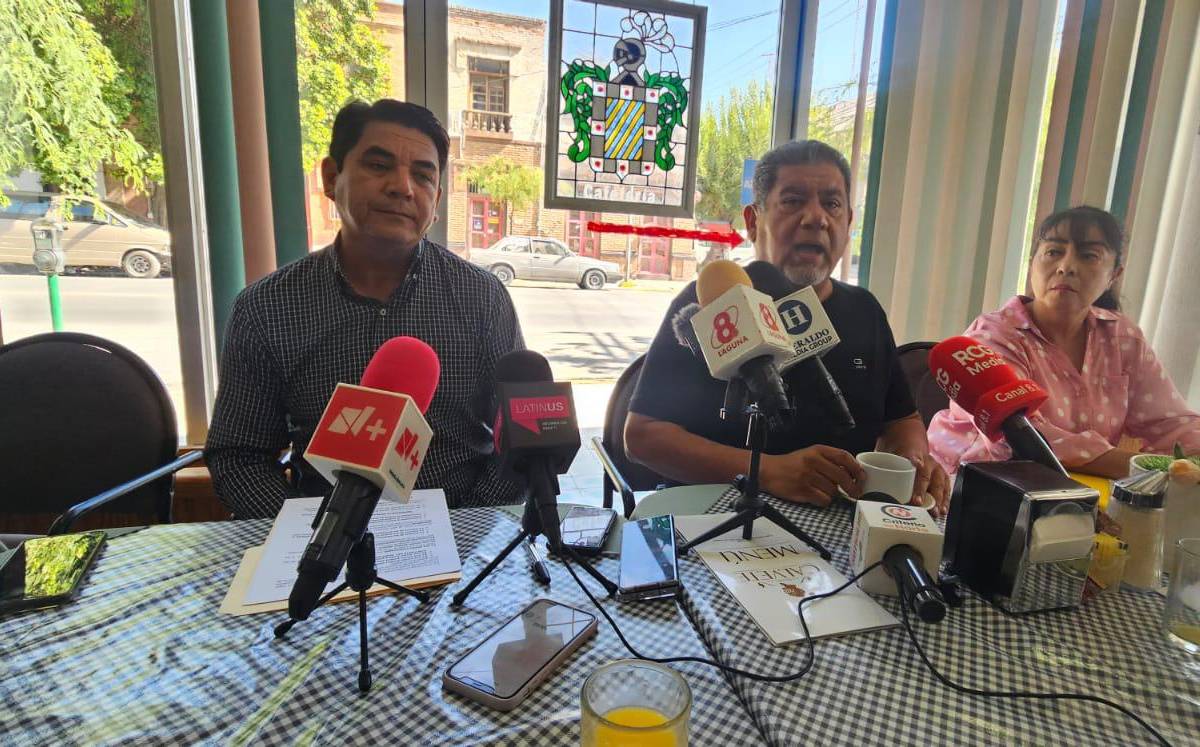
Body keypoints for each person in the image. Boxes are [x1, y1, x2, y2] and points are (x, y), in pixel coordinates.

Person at [206, 99, 525, 518]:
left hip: (460, 527)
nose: (402, 187)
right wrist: (308, 536)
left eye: (423, 175)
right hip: (320, 538)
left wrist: (467, 525)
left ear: (437, 199)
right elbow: (238, 456)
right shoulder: (266, 308)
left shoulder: (483, 298)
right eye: (378, 166)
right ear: (331, 177)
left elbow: (521, 436)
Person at [625, 140, 951, 514]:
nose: (816, 218)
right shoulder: (708, 305)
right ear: (753, 221)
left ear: (848, 223)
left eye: (832, 204)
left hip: (840, 531)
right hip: (718, 521)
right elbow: (643, 436)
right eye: (793, 201)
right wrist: (768, 472)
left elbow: (902, 420)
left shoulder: (866, 310)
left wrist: (912, 462)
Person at [927, 206, 1200, 479]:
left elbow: (1174, 424)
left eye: (1088, 256)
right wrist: (1152, 467)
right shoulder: (994, 335)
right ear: (1032, 263)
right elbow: (1022, 439)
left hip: (1074, 489)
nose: (1066, 267)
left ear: (1114, 276)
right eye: (1053, 252)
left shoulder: (1122, 338)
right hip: (972, 485)